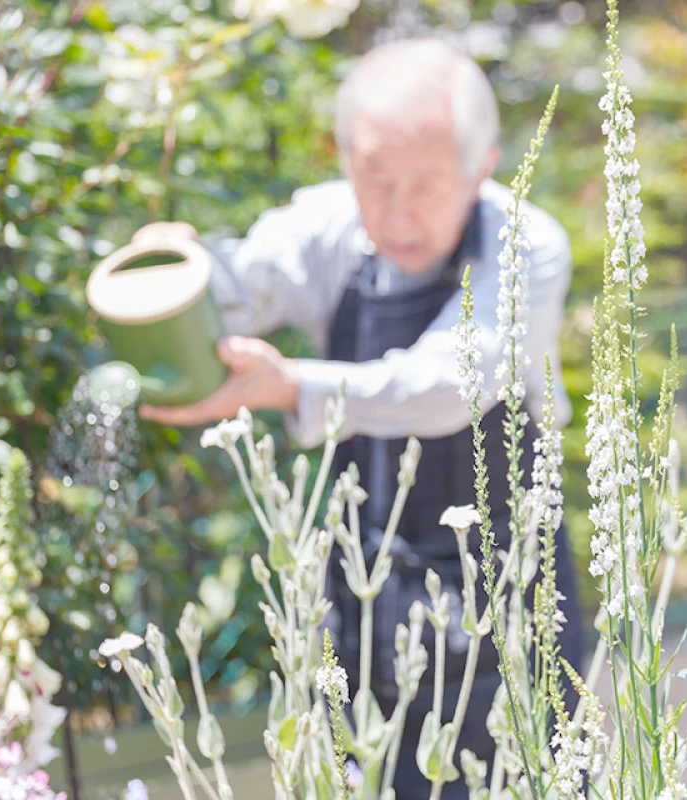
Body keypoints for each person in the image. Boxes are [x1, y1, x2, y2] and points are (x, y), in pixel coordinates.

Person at [133, 38, 585, 797]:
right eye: (375, 181)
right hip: (358, 584)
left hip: (505, 593)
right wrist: (177, 271)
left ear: (482, 165)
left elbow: (450, 385)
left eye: (427, 186)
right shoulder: (325, 229)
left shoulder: (527, 244)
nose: (399, 212)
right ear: (346, 163)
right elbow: (235, 286)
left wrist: (288, 387)